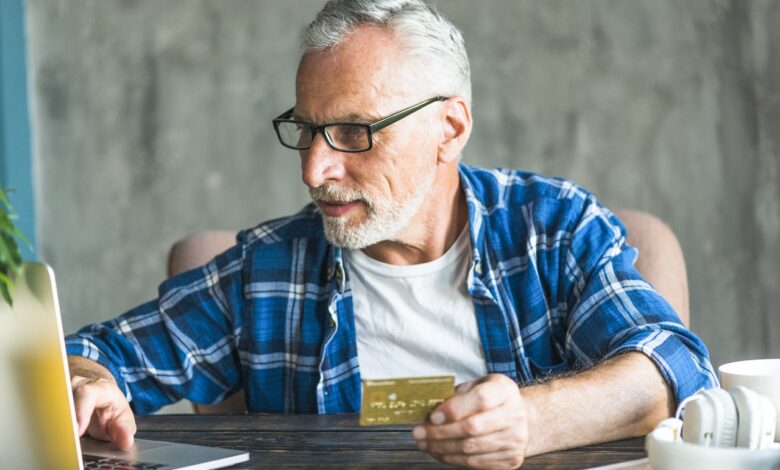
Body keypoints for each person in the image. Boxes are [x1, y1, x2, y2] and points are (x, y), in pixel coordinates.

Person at [65, 0, 717, 468]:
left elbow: (679, 369)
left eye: (353, 132)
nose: (315, 169)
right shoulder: (269, 270)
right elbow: (93, 355)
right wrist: (85, 382)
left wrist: (532, 419)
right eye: (306, 130)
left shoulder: (549, 231)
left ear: (450, 129)